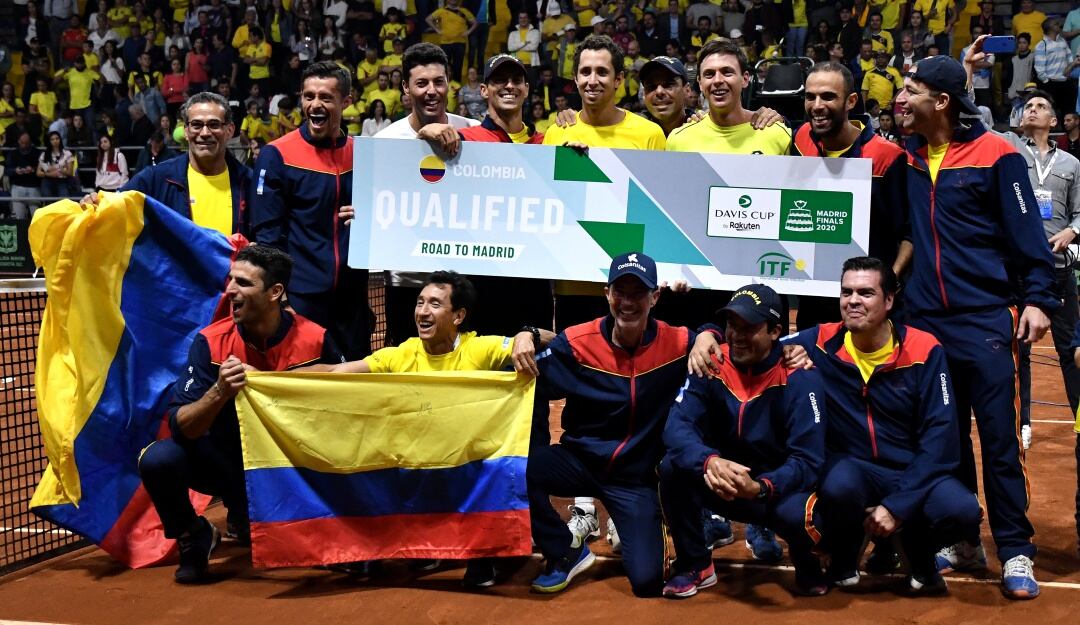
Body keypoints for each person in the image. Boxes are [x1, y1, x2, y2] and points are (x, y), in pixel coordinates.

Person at [895, 52, 1057, 600]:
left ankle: (1014, 547)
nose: (900, 99)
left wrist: (1038, 299)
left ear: (941, 101)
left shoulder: (997, 155)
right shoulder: (909, 156)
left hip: (986, 317)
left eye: (911, 90)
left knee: (999, 440)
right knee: (944, 439)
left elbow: (1028, 234)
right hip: (926, 322)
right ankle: (964, 539)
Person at [309, 270, 551, 587]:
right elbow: (333, 372)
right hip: (423, 466)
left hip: (470, 467)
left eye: (435, 304)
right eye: (420, 302)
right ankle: (392, 544)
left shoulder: (478, 349)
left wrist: (526, 335)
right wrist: (263, 377)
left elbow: (555, 338)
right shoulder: (403, 354)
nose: (423, 311)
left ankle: (488, 549)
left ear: (458, 316)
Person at [138, 245, 344, 584]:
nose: (231, 290)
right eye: (231, 280)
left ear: (275, 292)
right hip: (230, 464)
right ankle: (194, 535)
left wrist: (271, 383)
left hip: (295, 467)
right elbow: (181, 427)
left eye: (244, 283)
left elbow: (346, 410)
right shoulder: (210, 343)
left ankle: (263, 518)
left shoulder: (315, 340)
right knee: (159, 460)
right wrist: (219, 391)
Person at [783, 256, 982, 594]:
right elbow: (757, 344)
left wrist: (897, 507)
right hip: (852, 469)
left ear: (889, 300)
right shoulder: (818, 342)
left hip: (910, 469)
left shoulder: (924, 349)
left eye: (865, 293)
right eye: (846, 292)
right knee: (838, 486)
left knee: (962, 511)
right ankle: (847, 549)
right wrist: (707, 337)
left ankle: (915, 548)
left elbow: (942, 440)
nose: (853, 301)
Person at [527, 252, 713, 597]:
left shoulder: (677, 343)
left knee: (646, 583)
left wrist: (708, 333)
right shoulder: (578, 342)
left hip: (633, 479)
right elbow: (526, 378)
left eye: (638, 293)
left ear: (654, 297)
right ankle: (564, 551)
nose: (627, 302)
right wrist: (527, 334)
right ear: (607, 294)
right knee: (517, 470)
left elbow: (728, 344)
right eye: (620, 292)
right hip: (579, 462)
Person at [659, 283, 828, 599]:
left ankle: (807, 562)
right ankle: (696, 563)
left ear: (775, 331)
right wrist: (709, 461)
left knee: (808, 514)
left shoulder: (801, 377)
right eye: (731, 325)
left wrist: (762, 487)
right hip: (721, 480)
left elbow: (808, 460)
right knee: (671, 468)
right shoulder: (712, 363)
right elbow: (677, 427)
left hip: (772, 492)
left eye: (748, 328)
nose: (736, 335)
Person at [251, 61, 372, 361]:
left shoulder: (364, 154)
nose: (315, 104)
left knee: (354, 378)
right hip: (301, 298)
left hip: (352, 298)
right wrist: (281, 298)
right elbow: (268, 236)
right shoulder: (277, 155)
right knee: (306, 379)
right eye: (308, 96)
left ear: (346, 101)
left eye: (326, 97)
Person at [985, 86, 1080, 449]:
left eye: (1040, 106)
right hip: (1020, 267)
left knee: (1070, 349)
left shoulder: (1071, 164)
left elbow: (1079, 212)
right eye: (1028, 106)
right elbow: (974, 122)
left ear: (1053, 121)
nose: (1032, 110)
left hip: (1058, 267)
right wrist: (970, 73)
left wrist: (1072, 231)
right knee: (1020, 350)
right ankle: (1023, 422)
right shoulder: (1008, 149)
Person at [372, 43, 479, 347]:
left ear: (449, 84)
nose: (431, 91)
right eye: (421, 83)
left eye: (438, 82)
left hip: (463, 280)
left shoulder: (472, 132)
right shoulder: (384, 142)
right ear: (406, 88)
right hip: (407, 281)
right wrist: (422, 136)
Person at [791, 61, 910, 330]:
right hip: (814, 299)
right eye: (810, 97)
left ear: (851, 101)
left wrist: (889, 280)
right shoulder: (800, 140)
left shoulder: (887, 156)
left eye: (828, 97)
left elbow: (908, 233)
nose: (817, 106)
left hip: (867, 304)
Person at [666, 39, 791, 156]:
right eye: (709, 74)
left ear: (745, 79)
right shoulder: (679, 141)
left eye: (727, 72)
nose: (718, 80)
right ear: (700, 83)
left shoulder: (778, 135)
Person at [7, 132, 42, 219]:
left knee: (37, 217)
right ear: (19, 141)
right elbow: (7, 170)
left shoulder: (37, 153)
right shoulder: (13, 153)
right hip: (17, 187)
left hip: (34, 187)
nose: (25, 145)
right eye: (22, 142)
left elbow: (43, 168)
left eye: (27, 143)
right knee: (19, 218)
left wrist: (33, 169)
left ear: (30, 142)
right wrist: (15, 170)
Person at [36, 130, 80, 198]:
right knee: (47, 196)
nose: (55, 141)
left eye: (57, 138)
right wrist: (49, 174)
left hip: (62, 180)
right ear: (49, 141)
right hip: (48, 180)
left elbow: (70, 172)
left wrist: (58, 169)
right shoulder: (44, 154)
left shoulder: (67, 153)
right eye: (52, 139)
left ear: (60, 140)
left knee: (64, 198)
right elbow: (38, 173)